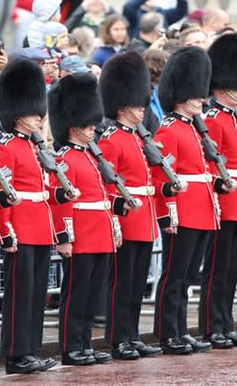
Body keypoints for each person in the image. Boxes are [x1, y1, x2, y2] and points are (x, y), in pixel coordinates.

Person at [0, 58, 75, 374]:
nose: (38, 117)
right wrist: (7, 230)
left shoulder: (36, 147)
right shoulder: (7, 148)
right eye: (32, 112)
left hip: (40, 228)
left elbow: (42, 190)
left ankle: (31, 349)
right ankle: (16, 353)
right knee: (19, 295)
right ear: (16, 113)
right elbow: (6, 195)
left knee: (36, 294)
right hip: (21, 229)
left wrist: (60, 196)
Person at [47, 72, 120, 365]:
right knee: (76, 294)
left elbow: (103, 197)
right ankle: (70, 346)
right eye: (88, 123)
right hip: (81, 235)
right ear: (73, 125)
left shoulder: (91, 156)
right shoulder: (65, 158)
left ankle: (85, 342)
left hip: (99, 232)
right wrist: (64, 239)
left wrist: (113, 227)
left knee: (91, 295)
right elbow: (60, 201)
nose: (94, 127)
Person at [151, 46, 217, 354]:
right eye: (196, 93)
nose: (202, 98)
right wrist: (169, 215)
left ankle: (181, 329)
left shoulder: (193, 128)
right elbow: (164, 176)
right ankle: (167, 333)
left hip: (201, 210)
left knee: (188, 277)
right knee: (174, 276)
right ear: (181, 93)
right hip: (183, 213)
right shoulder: (169, 129)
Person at [98, 51, 163, 359]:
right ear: (123, 106)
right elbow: (107, 182)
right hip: (126, 218)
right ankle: (117, 337)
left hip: (144, 216)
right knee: (122, 283)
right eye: (138, 103)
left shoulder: (139, 137)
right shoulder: (111, 138)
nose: (143, 108)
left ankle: (132, 334)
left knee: (137, 283)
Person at [199, 33, 237, 349]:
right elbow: (211, 162)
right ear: (221, 88)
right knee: (217, 268)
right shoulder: (214, 119)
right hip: (223, 199)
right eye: (235, 87)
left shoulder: (235, 118)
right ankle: (212, 325)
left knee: (231, 268)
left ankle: (225, 323)